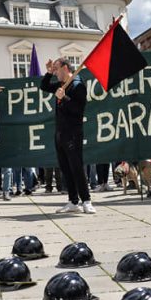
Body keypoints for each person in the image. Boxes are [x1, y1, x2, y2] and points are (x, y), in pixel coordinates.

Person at [40, 57, 95, 214]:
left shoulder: (78, 85)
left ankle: (87, 200)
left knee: (76, 167)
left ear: (65, 67)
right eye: (54, 70)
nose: (56, 72)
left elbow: (78, 110)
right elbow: (43, 86)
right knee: (65, 168)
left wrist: (63, 97)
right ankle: (73, 201)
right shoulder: (60, 84)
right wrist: (48, 72)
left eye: (56, 69)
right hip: (60, 133)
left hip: (73, 133)